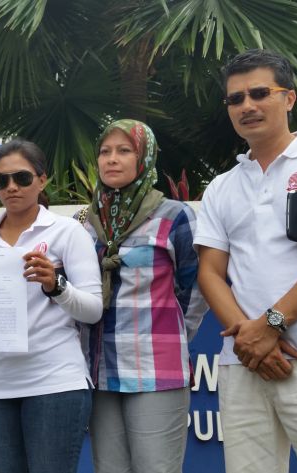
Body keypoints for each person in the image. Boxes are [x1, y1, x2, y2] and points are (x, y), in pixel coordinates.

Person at [194, 49, 297, 472]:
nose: (247, 106)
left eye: (259, 93)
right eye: (235, 99)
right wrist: (248, 341)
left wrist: (271, 324)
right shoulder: (221, 187)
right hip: (244, 363)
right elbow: (210, 272)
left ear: (289, 98)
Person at [0, 139, 103, 473]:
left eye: (22, 178)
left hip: (54, 380)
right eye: (2, 181)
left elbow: (93, 309)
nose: (11, 187)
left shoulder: (67, 232)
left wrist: (55, 285)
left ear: (42, 180)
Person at [79, 119, 206, 473]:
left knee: (156, 468)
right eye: (105, 152)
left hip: (156, 367)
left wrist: (173, 333)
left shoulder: (174, 215)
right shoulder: (86, 222)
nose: (111, 160)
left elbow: (195, 285)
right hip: (99, 368)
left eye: (124, 151)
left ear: (144, 157)